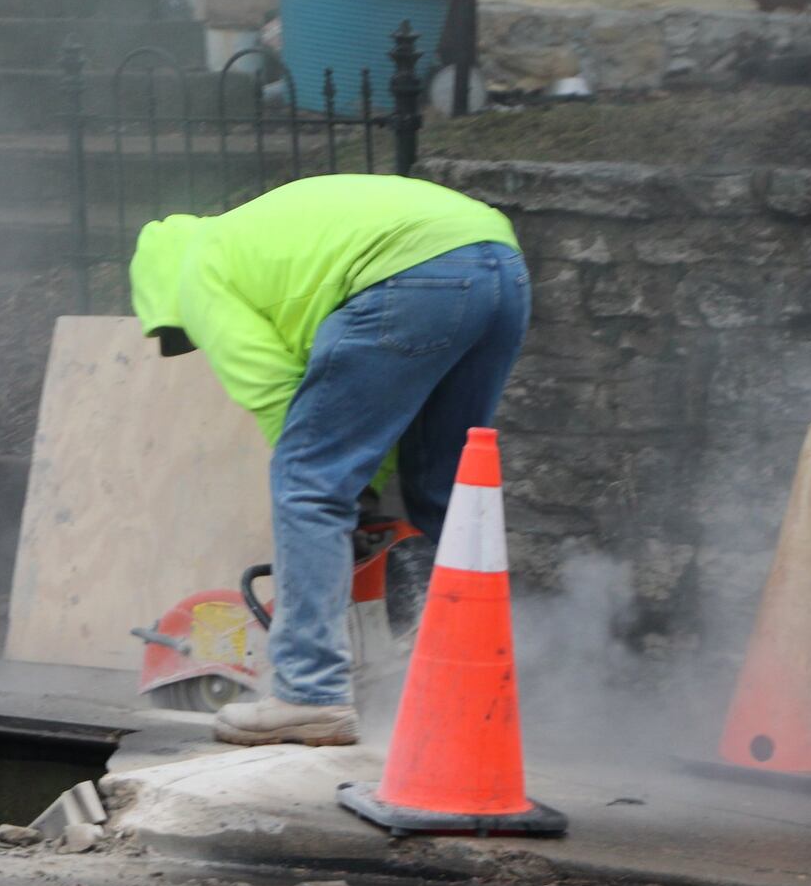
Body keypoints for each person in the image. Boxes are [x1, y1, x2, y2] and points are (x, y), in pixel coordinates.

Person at [129, 174, 530, 748]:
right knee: (445, 489)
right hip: (499, 263)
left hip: (411, 275)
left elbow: (275, 392)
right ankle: (471, 687)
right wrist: (368, 478)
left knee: (308, 483)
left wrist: (347, 488)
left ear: (158, 289)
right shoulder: (260, 241)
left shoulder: (196, 272)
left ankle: (309, 694)